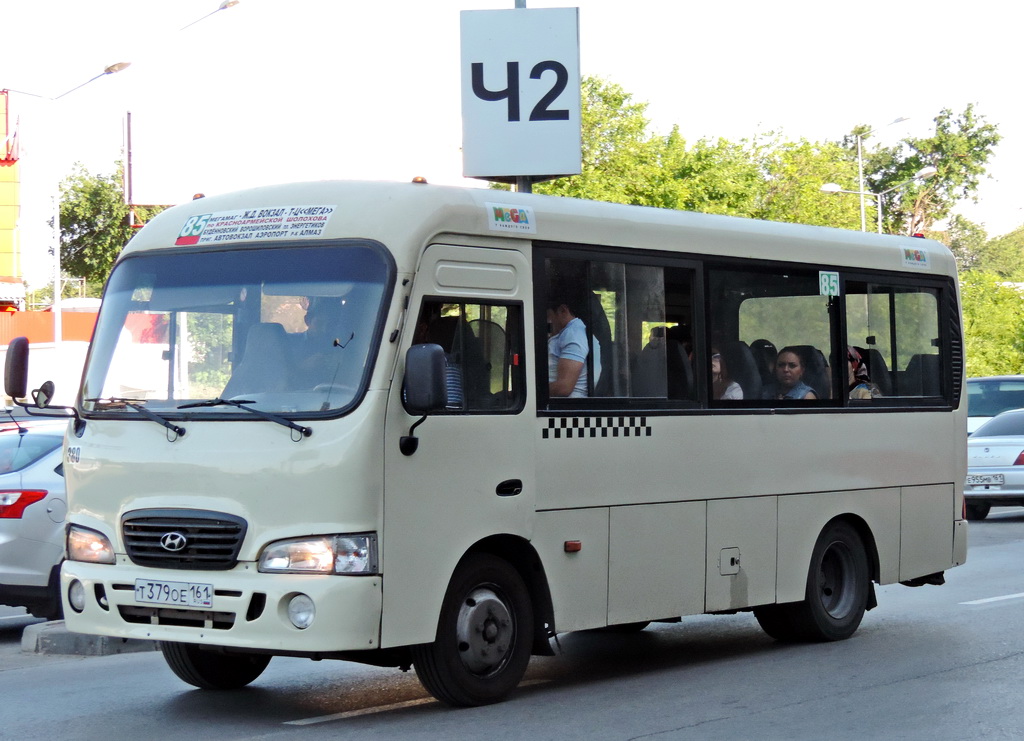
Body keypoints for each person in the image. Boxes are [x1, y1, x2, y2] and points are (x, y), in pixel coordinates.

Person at [547, 294, 589, 398]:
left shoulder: (573, 334)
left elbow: (564, 387)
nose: (549, 322)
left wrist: (528, 392)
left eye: (550, 316)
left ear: (563, 310)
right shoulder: (567, 333)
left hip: (565, 407)